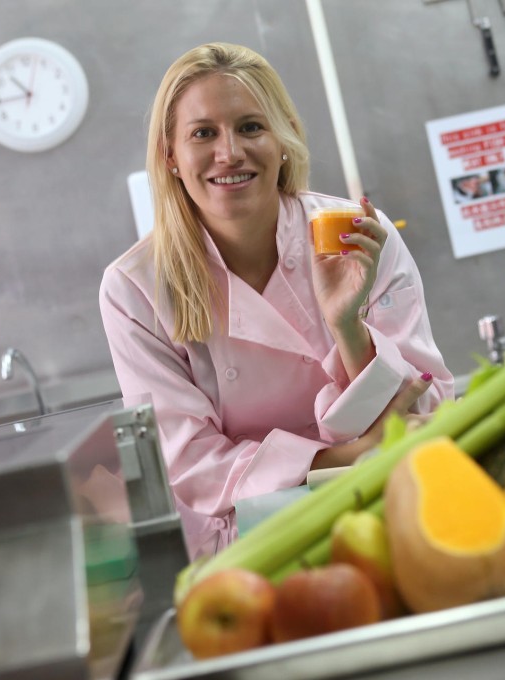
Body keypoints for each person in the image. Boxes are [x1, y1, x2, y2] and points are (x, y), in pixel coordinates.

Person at [99, 43, 453, 560]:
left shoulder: (355, 236)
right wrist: (344, 457)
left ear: (283, 137)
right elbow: (193, 465)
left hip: (396, 509)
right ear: (170, 155)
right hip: (260, 544)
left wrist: (348, 327)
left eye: (250, 127)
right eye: (203, 133)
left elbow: (423, 409)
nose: (230, 153)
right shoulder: (136, 287)